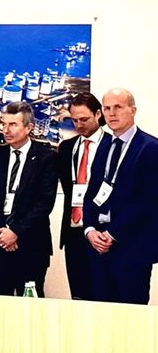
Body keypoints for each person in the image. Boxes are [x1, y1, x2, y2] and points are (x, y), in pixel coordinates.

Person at [83, 88, 158, 305]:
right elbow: (92, 192)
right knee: (102, 315)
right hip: (99, 248)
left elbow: (149, 201)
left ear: (132, 110)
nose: (112, 113)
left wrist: (112, 233)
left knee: (131, 316)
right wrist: (89, 230)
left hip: (132, 248)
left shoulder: (151, 148)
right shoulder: (104, 145)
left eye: (118, 107)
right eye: (107, 108)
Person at [0, 101, 58, 297]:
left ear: (29, 128)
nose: (6, 130)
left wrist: (15, 232)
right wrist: (1, 233)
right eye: (3, 124)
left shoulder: (46, 158)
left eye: (13, 124)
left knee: (30, 304)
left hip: (31, 244)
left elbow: (44, 203)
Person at [57, 93, 106, 300]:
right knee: (78, 298)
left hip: (101, 233)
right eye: (74, 120)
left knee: (102, 297)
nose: (79, 125)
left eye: (84, 119)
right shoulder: (66, 148)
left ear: (98, 114)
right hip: (73, 231)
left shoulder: (112, 146)